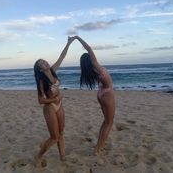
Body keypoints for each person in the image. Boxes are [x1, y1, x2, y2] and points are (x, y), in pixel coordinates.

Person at [34, 36, 75, 165]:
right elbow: (40, 100)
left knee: (61, 132)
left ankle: (62, 155)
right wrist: (55, 98)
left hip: (59, 105)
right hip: (50, 108)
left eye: (44, 61)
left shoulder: (53, 71)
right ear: (40, 69)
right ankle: (39, 156)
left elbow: (62, 57)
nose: (45, 63)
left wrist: (68, 43)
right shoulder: (41, 81)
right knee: (54, 137)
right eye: (42, 64)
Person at [73, 35, 115, 156]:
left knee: (106, 121)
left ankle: (99, 146)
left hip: (101, 93)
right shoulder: (95, 65)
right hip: (107, 93)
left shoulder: (91, 70)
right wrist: (77, 38)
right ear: (90, 60)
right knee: (109, 122)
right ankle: (98, 148)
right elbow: (89, 48)